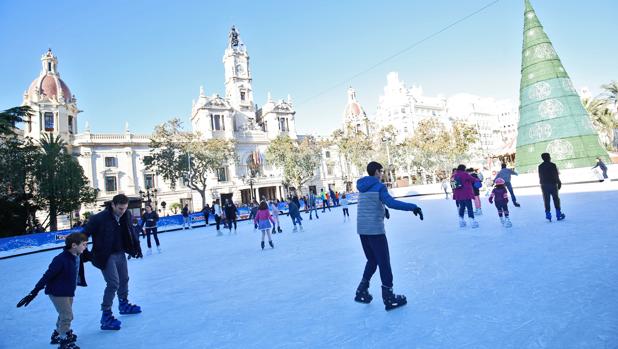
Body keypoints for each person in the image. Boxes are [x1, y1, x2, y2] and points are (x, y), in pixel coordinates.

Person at [354, 161, 423, 311]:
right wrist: (413, 207)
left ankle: (361, 290)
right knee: (383, 262)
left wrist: (382, 209)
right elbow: (391, 202)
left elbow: (368, 204)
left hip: (362, 230)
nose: (382, 173)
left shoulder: (362, 187)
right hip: (375, 231)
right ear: (377, 172)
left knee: (372, 260)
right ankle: (389, 297)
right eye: (381, 171)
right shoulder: (379, 186)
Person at [17, 233, 89, 349]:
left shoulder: (77, 255)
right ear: (74, 245)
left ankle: (57, 334)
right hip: (57, 292)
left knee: (64, 314)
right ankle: (64, 341)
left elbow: (89, 257)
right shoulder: (60, 259)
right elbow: (47, 276)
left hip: (68, 291)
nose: (86, 247)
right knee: (67, 316)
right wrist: (34, 291)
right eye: (84, 245)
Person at [82, 194, 142, 331]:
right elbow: (84, 234)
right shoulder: (99, 218)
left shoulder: (126, 214)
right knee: (113, 283)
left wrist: (136, 246)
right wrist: (85, 254)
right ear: (113, 205)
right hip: (105, 255)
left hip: (120, 252)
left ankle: (124, 304)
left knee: (124, 279)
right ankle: (106, 315)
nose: (122, 211)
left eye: (125, 208)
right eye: (120, 208)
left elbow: (130, 230)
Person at [538, 153, 565, 221]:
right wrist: (559, 182)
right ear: (549, 157)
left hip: (544, 185)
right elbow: (556, 175)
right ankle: (558, 214)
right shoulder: (553, 165)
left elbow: (540, 176)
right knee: (556, 199)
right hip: (552, 184)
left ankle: (548, 214)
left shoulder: (540, 166)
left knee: (546, 199)